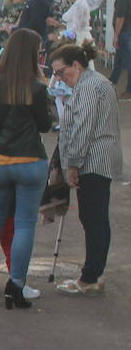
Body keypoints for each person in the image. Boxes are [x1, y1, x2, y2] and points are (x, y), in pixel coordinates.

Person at [0, 29, 51, 310]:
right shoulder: (38, 87)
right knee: (25, 225)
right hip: (30, 162)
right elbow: (45, 125)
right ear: (32, 55)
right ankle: (15, 286)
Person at [52, 43, 123, 296]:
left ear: (76, 65)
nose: (59, 78)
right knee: (94, 217)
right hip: (95, 160)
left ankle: (90, 276)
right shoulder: (91, 83)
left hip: (93, 161)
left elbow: (84, 127)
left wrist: (73, 163)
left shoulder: (91, 86)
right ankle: (93, 272)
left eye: (61, 72)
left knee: (93, 218)